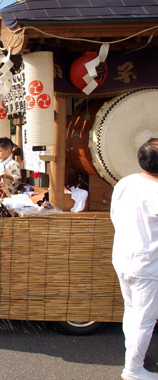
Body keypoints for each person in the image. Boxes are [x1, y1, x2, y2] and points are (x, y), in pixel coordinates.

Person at [111, 138, 158, 380]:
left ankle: (134, 358)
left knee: (132, 312)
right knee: (144, 319)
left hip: (123, 255)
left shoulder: (126, 183)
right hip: (147, 263)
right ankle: (133, 369)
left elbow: (115, 217)